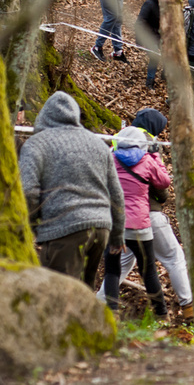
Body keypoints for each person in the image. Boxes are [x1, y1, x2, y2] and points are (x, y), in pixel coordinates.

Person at [19, 91, 125, 289]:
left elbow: (27, 191)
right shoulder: (98, 144)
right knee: (83, 294)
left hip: (64, 229)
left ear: (43, 117)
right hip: (101, 229)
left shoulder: (36, 144)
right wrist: (117, 235)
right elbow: (116, 194)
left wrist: (32, 226)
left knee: (57, 296)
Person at [97, 110, 194, 321]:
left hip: (117, 219)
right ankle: (187, 306)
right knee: (172, 258)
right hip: (147, 216)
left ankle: (97, 305)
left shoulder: (117, 143)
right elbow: (162, 186)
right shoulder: (148, 146)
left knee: (119, 267)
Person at [102, 126, 171, 318]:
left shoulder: (111, 159)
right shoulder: (147, 161)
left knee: (112, 270)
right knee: (148, 271)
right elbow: (164, 182)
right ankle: (161, 314)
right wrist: (156, 156)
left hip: (115, 225)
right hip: (140, 226)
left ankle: (112, 313)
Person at [135, 0, 162, 89]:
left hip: (159, 36)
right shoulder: (149, 4)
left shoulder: (166, 6)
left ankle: (165, 76)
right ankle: (149, 82)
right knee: (154, 56)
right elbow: (140, 23)